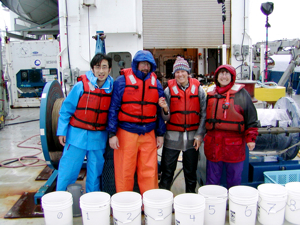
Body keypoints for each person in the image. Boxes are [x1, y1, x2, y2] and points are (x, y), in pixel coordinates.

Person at [107, 50, 166, 195]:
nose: (146, 67)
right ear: (136, 64)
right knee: (124, 172)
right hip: (126, 133)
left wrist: (160, 134)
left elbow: (160, 110)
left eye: (148, 64)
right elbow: (113, 109)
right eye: (143, 64)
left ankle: (150, 207)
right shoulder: (121, 82)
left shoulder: (156, 83)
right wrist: (112, 134)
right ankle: (125, 207)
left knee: (150, 173)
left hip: (149, 134)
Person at [56, 53, 113, 192]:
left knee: (95, 174)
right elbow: (66, 110)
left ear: (109, 70)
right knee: (68, 171)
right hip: (76, 137)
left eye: (104, 67)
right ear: (92, 69)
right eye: (97, 67)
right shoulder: (80, 86)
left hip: (98, 139)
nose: (101, 71)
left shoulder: (113, 89)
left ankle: (92, 203)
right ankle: (60, 199)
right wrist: (62, 131)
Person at [204, 64, 258, 189]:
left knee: (234, 180)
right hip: (213, 144)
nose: (224, 76)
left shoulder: (241, 94)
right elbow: (203, 116)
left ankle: (233, 205)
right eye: (221, 73)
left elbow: (251, 118)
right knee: (212, 180)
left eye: (227, 73)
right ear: (216, 77)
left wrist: (251, 139)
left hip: (234, 145)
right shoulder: (211, 94)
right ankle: (213, 204)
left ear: (232, 76)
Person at [158, 56, 206, 193]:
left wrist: (199, 135)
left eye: (182, 71)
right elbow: (165, 116)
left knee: (191, 174)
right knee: (167, 173)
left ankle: (190, 202)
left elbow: (204, 114)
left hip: (192, 140)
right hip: (172, 139)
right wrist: (165, 108)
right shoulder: (168, 91)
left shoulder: (199, 90)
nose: (180, 74)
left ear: (188, 72)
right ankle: (163, 201)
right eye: (177, 72)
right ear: (174, 74)